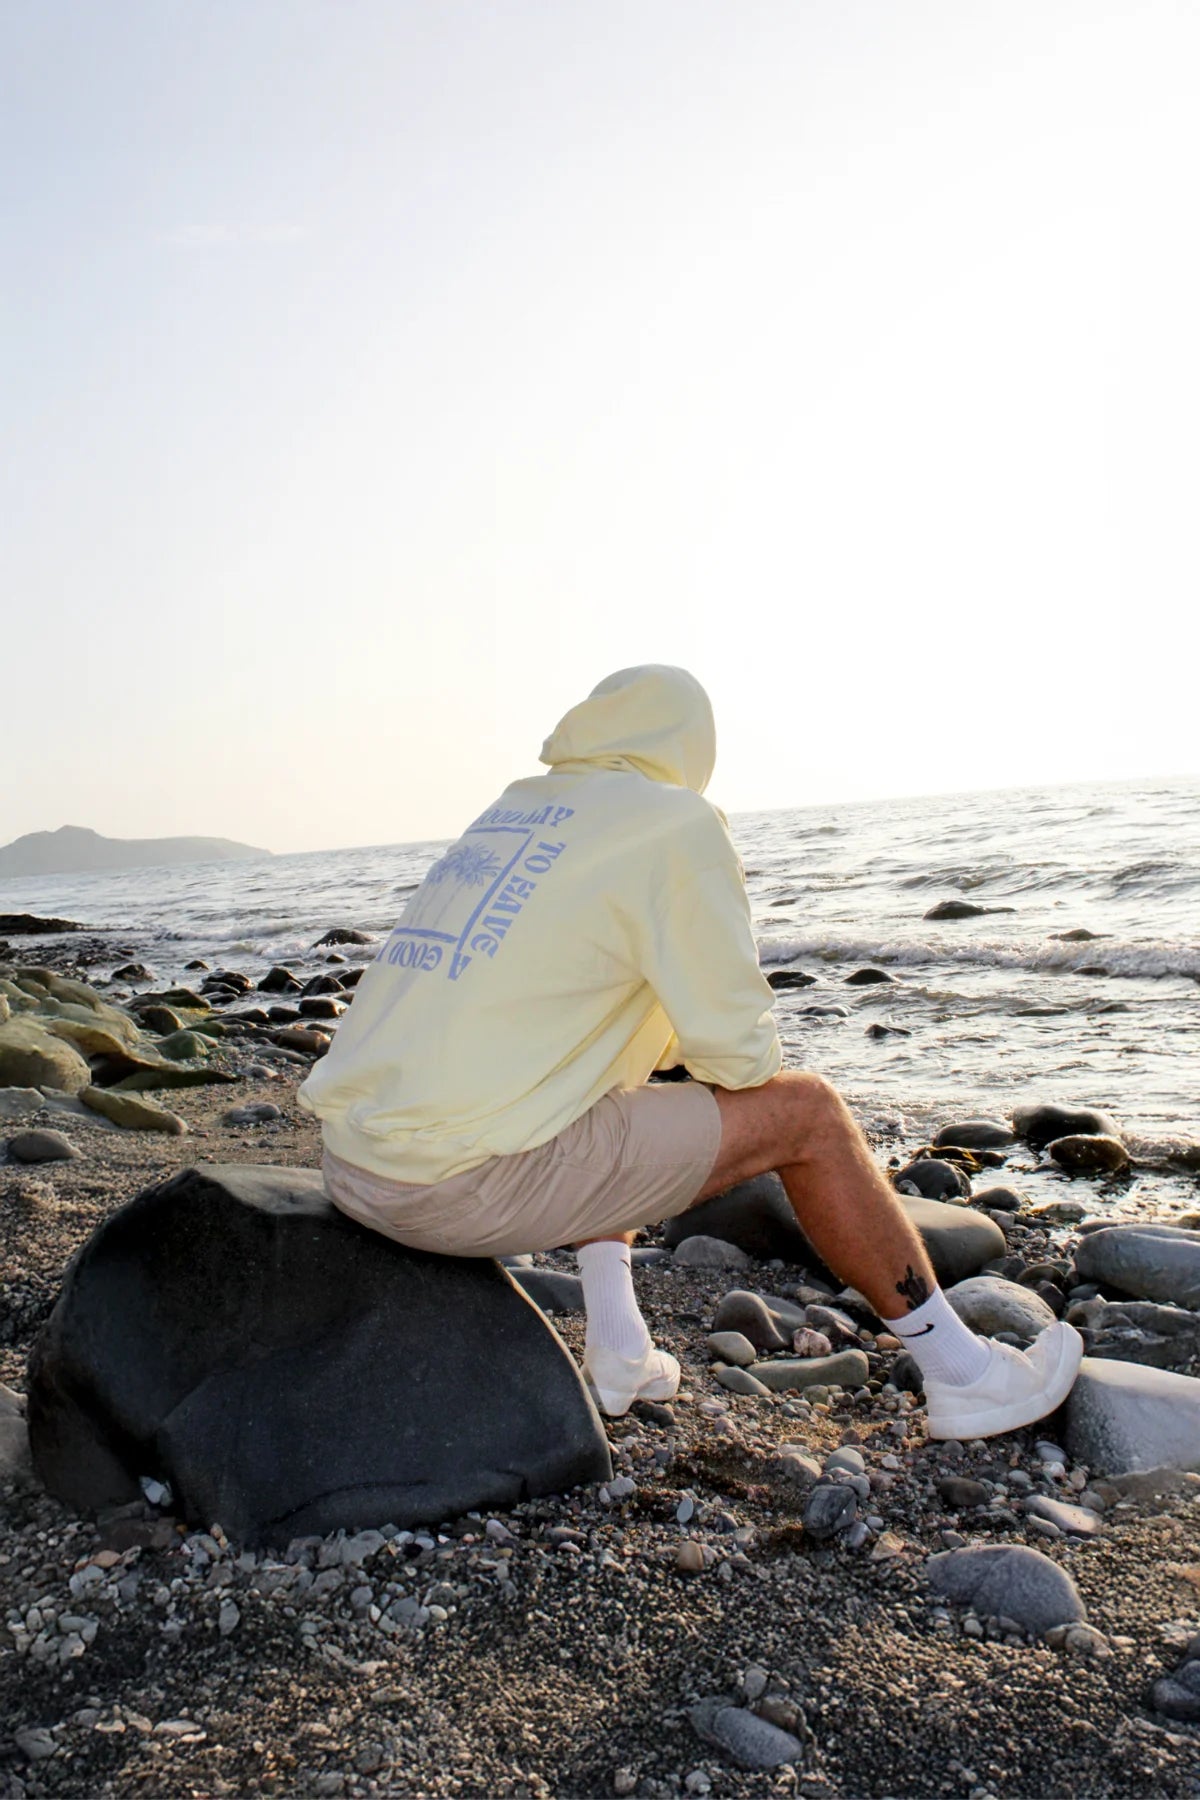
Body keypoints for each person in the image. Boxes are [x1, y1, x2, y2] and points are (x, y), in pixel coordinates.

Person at [299, 664, 1083, 1436]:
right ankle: (965, 1376)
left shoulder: (523, 809)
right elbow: (741, 1058)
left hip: (357, 1161)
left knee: (607, 1081)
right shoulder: (674, 821)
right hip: (449, 1188)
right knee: (808, 1116)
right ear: (691, 744)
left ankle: (619, 1348)